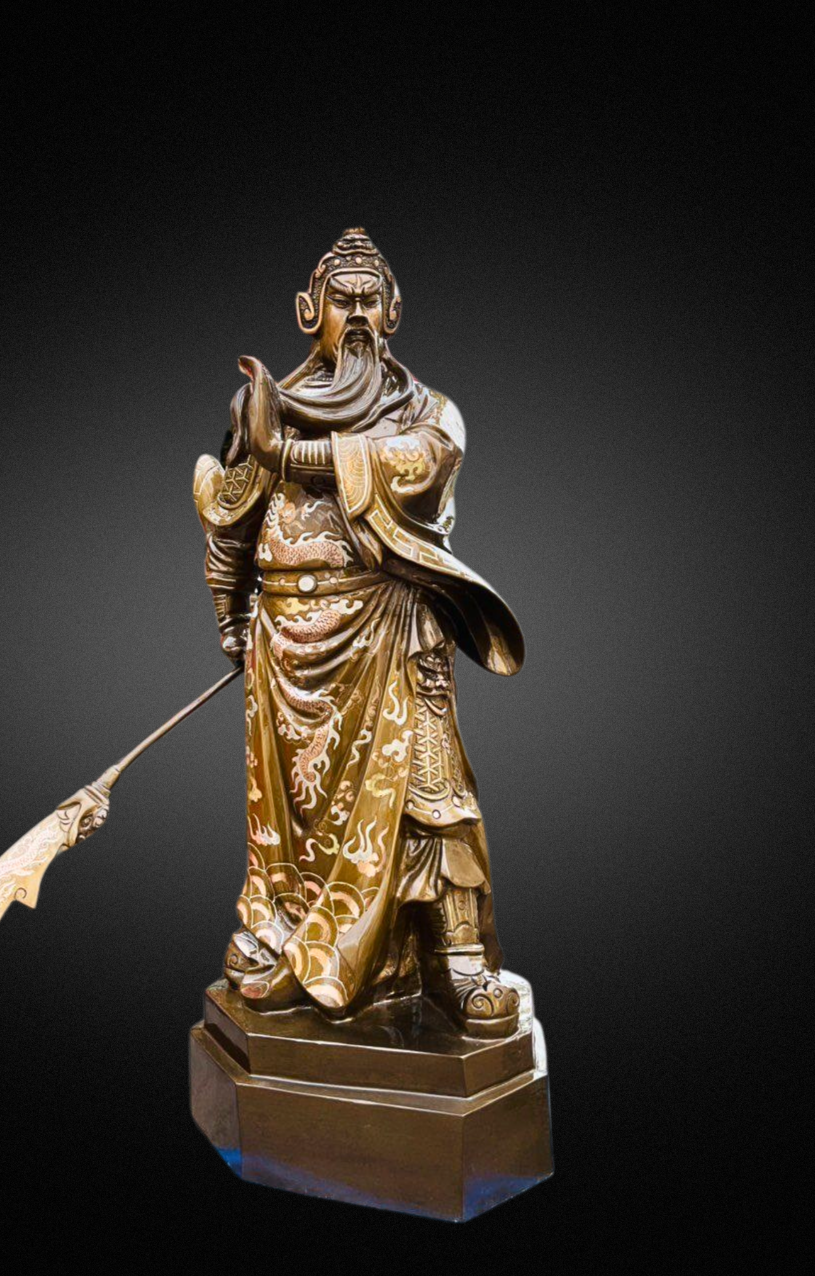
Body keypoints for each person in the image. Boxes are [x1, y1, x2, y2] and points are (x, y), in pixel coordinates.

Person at [193, 229, 525, 1036]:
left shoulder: (429, 413)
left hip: (390, 629)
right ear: (309, 312)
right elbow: (230, 520)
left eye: (371, 301)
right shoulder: (263, 407)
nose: (359, 317)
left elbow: (416, 464)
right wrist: (231, 617)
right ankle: (282, 932)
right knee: (289, 815)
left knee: (428, 795)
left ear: (395, 311)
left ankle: (456, 959)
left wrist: (290, 452)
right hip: (284, 648)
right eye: (342, 302)